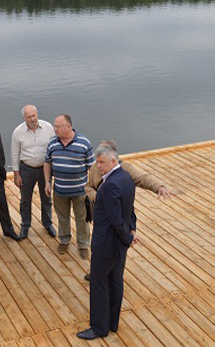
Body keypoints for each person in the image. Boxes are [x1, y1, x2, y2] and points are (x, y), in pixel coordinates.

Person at [82, 139, 178, 280]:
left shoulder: (125, 168)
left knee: (119, 244)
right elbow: (88, 186)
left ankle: (116, 276)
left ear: (113, 157)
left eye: (102, 156)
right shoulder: (94, 168)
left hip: (119, 215)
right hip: (101, 215)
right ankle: (97, 272)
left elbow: (143, 178)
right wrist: (97, 197)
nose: (99, 160)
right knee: (99, 244)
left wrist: (159, 187)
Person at [77, 145, 137, 340]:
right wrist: (131, 230)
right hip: (118, 245)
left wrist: (128, 237)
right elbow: (130, 209)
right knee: (115, 281)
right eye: (97, 161)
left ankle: (99, 328)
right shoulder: (126, 178)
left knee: (99, 284)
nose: (98, 166)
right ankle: (113, 323)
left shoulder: (110, 185)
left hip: (106, 244)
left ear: (113, 161)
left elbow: (115, 218)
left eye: (101, 162)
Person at [44, 114, 94, 259]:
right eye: (54, 126)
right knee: (62, 217)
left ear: (69, 126)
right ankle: (64, 240)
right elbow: (47, 163)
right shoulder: (52, 143)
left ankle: (83, 244)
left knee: (82, 219)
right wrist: (48, 182)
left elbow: (92, 167)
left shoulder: (84, 143)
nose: (55, 129)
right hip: (60, 190)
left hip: (80, 191)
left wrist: (93, 188)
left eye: (58, 126)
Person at [11, 105, 56, 239]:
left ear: (37, 114)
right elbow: (14, 154)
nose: (32, 119)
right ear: (24, 118)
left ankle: (48, 224)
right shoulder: (18, 132)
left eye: (34, 116)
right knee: (25, 199)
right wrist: (16, 174)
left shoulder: (48, 127)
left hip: (45, 169)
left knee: (46, 197)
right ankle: (25, 225)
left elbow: (54, 147)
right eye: (29, 117)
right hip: (27, 169)